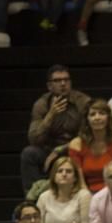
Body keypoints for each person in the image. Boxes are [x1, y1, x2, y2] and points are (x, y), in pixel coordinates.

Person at [21, 65, 91, 194]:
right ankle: (33, 199)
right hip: (48, 151)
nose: (63, 83)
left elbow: (88, 135)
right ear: (49, 86)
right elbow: (34, 139)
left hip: (75, 150)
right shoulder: (41, 104)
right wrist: (50, 116)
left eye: (66, 80)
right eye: (58, 81)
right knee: (29, 153)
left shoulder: (83, 102)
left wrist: (60, 150)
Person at [68, 99, 112, 193]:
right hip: (86, 192)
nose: (97, 117)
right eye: (92, 114)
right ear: (87, 119)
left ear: (108, 118)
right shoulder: (76, 144)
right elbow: (80, 182)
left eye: (101, 113)